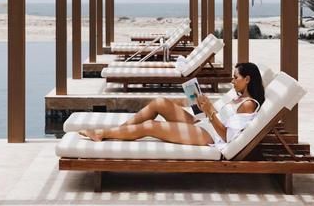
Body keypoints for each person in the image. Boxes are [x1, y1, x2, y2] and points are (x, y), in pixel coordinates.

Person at [79, 62, 265, 147]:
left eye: (235, 77)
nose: (232, 81)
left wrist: (210, 113)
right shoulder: (236, 95)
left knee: (151, 126)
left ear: (247, 79)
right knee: (160, 102)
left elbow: (227, 136)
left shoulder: (249, 105)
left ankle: (102, 133)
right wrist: (203, 105)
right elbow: (220, 117)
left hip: (210, 136)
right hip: (206, 124)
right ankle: (119, 132)